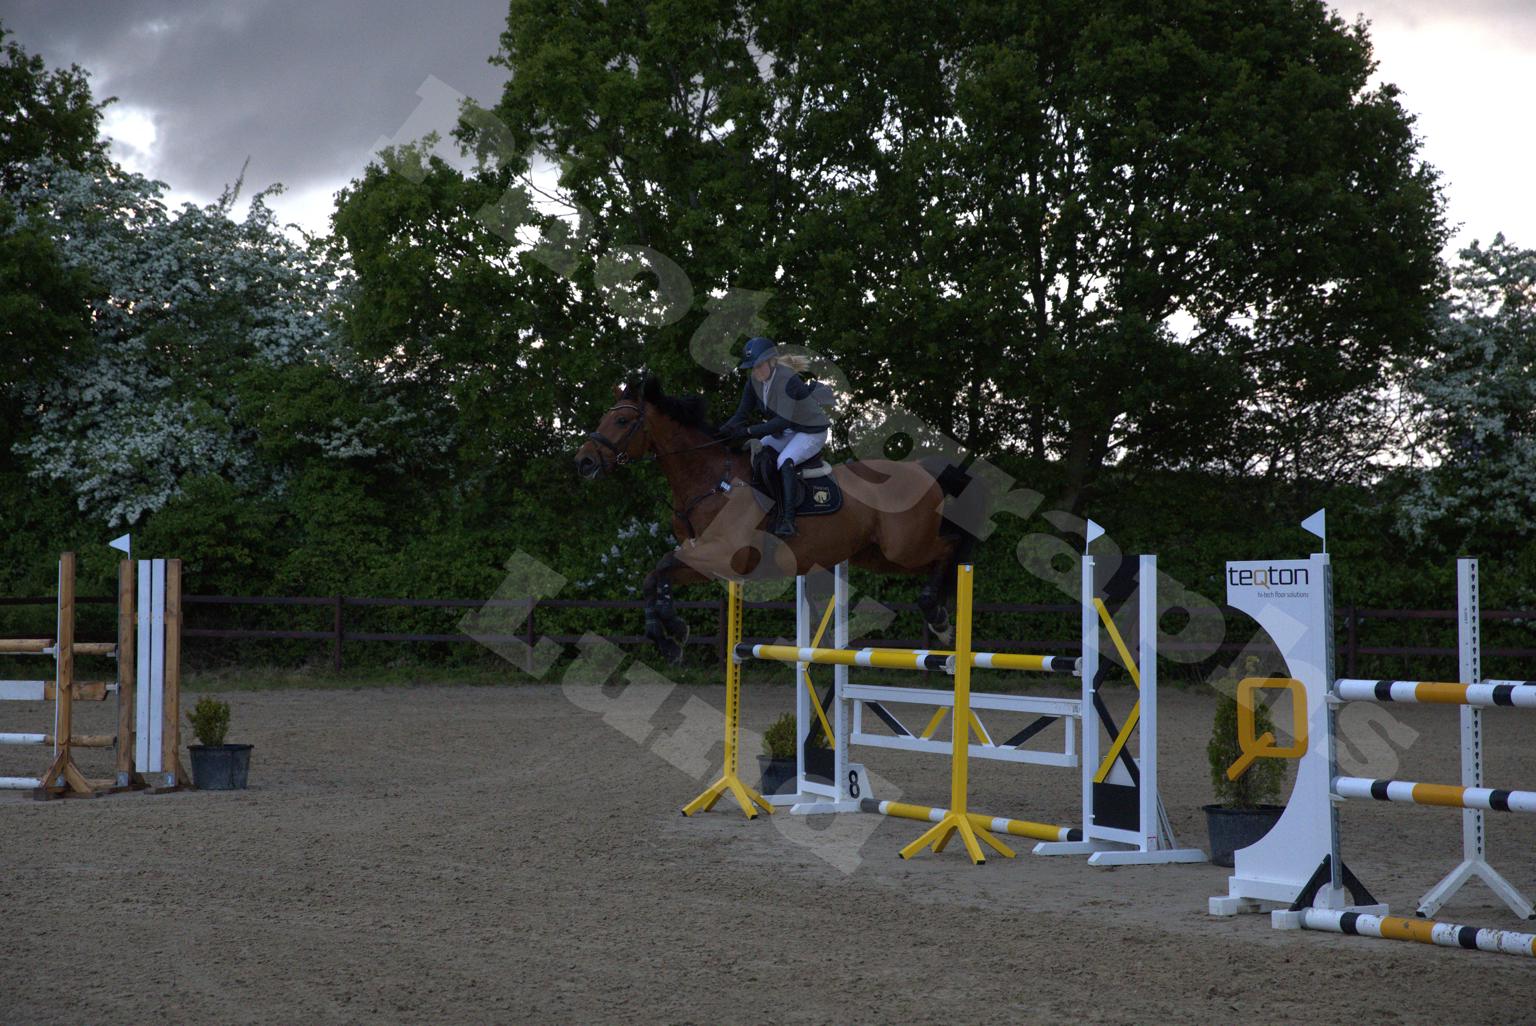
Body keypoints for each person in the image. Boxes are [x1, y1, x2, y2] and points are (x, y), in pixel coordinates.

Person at [718, 336, 834, 538]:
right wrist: (721, 432)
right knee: (758, 453)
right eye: (752, 368)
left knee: (784, 461)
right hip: (789, 431)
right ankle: (767, 507)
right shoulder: (754, 382)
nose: (756, 371)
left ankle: (788, 520)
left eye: (759, 366)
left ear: (771, 362)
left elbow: (782, 421)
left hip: (811, 431)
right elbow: (741, 414)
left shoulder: (786, 379)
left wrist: (748, 432)